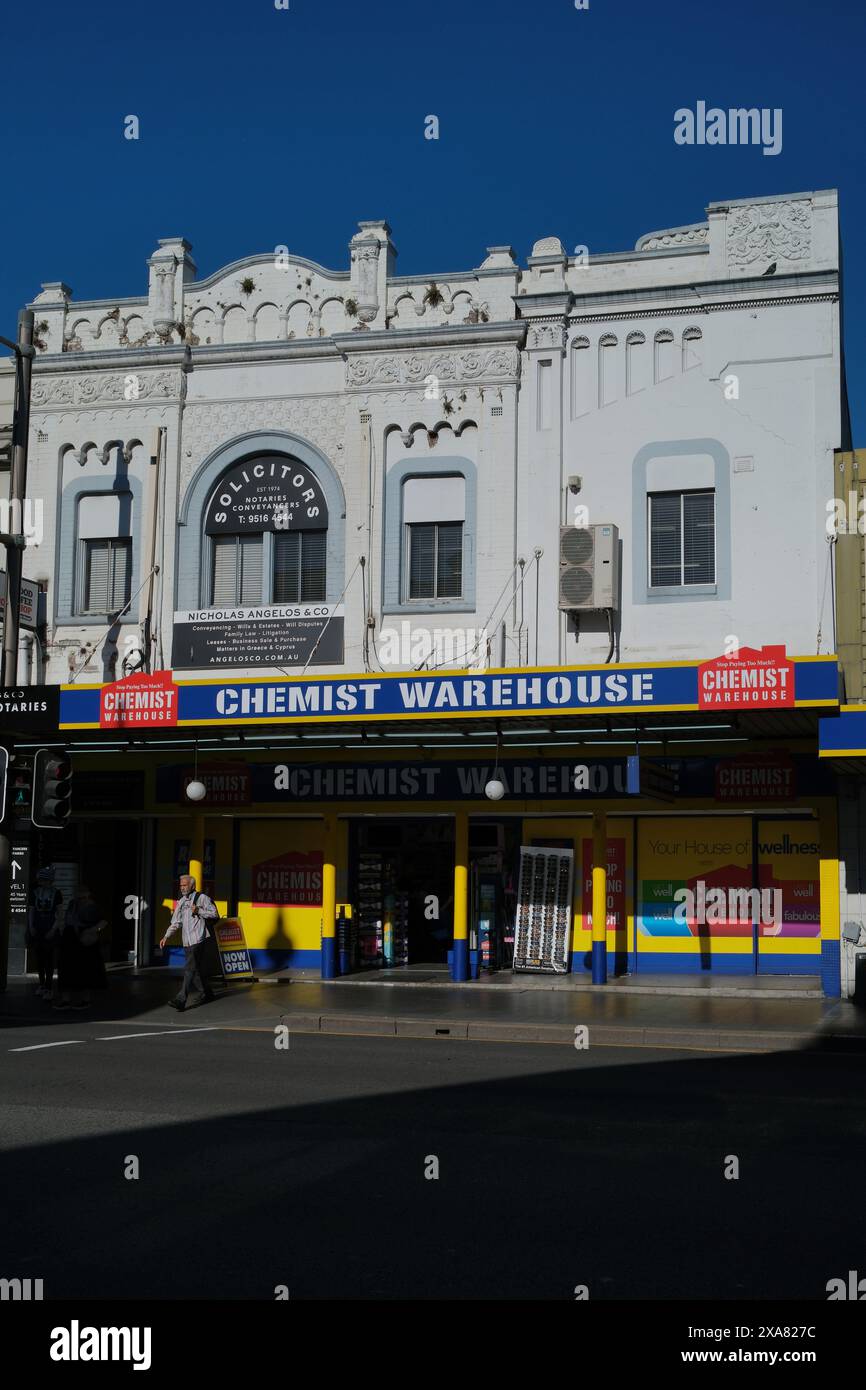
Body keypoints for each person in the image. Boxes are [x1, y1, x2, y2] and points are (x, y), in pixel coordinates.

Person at [159, 874, 218, 1011]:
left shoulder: (202, 898)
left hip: (198, 939)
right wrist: (166, 936)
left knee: (189, 968)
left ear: (192, 885)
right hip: (186, 941)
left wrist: (198, 910)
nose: (182, 888)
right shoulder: (181, 902)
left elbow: (214, 914)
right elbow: (176, 922)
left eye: (185, 885)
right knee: (195, 969)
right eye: (181, 885)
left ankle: (181, 999)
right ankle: (207, 993)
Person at [54, 885, 109, 1011]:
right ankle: (74, 999)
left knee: (82, 970)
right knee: (73, 969)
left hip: (82, 938)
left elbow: (102, 921)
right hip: (75, 938)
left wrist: (92, 930)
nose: (81, 898)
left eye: (83, 895)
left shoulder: (90, 906)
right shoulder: (77, 904)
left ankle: (77, 999)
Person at [27, 867, 62, 998]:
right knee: (39, 958)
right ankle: (42, 985)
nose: (43, 883)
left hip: (49, 927)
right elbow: (31, 910)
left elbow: (59, 913)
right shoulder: (35, 892)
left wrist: (54, 929)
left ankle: (48, 986)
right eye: (41, 880)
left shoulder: (56, 893)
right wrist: (31, 926)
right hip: (38, 927)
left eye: (45, 880)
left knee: (49, 959)